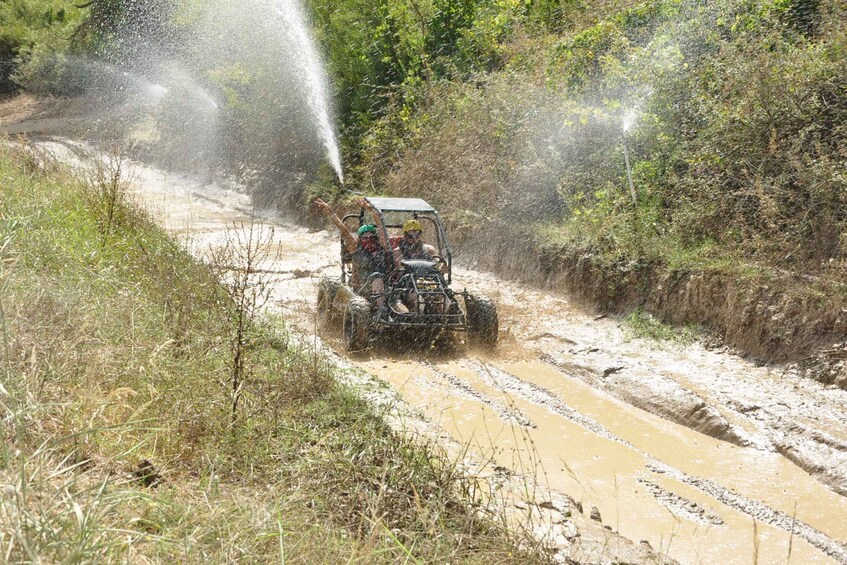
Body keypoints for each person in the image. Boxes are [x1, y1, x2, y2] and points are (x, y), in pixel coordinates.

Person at [314, 198, 391, 304]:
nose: (369, 240)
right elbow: (343, 230)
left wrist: (370, 210)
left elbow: (380, 225)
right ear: (360, 239)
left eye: (372, 237)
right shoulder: (356, 249)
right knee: (377, 278)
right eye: (365, 238)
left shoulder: (382, 246)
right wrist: (330, 212)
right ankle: (382, 310)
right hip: (364, 287)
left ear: (376, 237)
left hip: (388, 286)